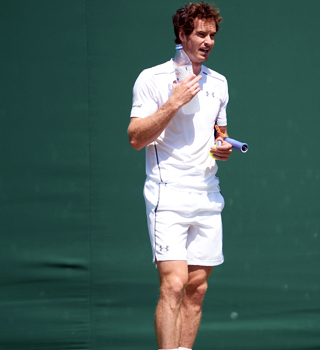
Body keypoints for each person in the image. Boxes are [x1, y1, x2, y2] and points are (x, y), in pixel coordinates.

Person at [127, 3, 233, 350]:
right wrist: (173, 103)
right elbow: (135, 138)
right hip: (167, 193)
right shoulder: (152, 79)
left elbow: (220, 134)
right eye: (201, 34)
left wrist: (223, 147)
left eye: (212, 35)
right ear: (182, 35)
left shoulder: (219, 83)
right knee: (173, 284)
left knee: (197, 288)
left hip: (207, 194)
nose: (208, 41)